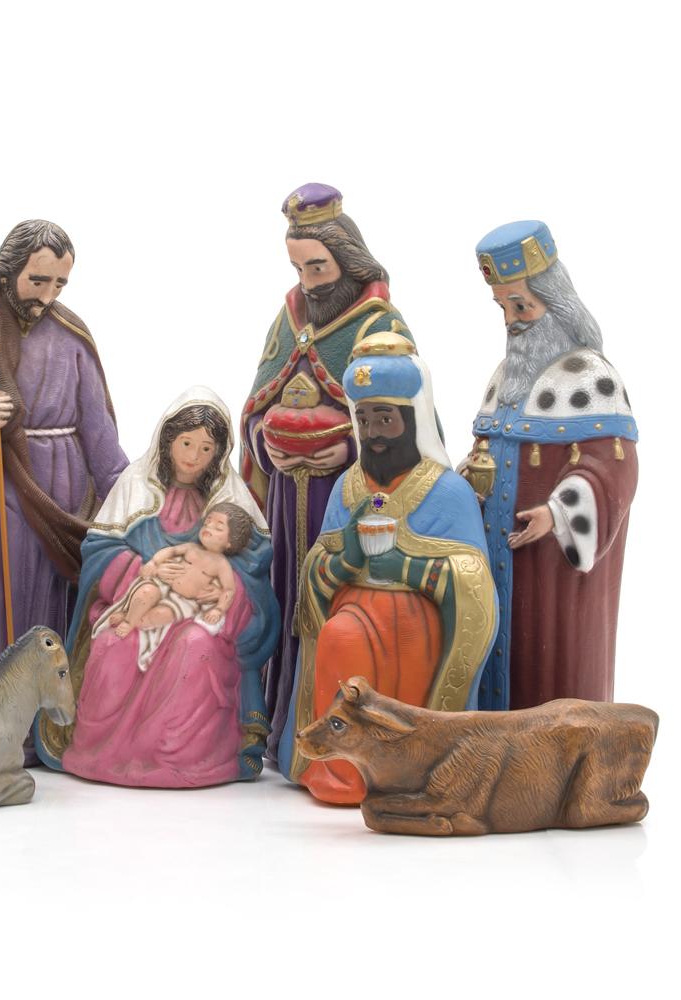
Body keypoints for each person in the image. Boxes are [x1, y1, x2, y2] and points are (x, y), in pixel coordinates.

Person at [240, 182, 420, 760]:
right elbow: (258, 400)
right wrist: (266, 444)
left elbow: (406, 418)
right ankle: (282, 725)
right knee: (286, 595)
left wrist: (349, 449)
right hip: (287, 492)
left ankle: (339, 730)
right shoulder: (289, 315)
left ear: (347, 258)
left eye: (317, 267)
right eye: (298, 268)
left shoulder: (379, 323)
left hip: (346, 496)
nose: (309, 282)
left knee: (335, 602)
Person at [279, 334, 497, 804]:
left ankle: (402, 771)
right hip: (352, 608)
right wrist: (346, 559)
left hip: (417, 620)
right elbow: (317, 570)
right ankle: (341, 772)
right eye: (363, 419)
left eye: (385, 418)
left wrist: (406, 566)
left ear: (412, 420)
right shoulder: (346, 487)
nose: (373, 431)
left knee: (383, 644)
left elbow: (472, 578)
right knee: (338, 636)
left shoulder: (448, 491)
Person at [35, 387, 279, 787]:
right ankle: (102, 750)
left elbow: (252, 568)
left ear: (218, 454)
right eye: (186, 443)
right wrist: (140, 573)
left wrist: (216, 594)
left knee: (196, 646)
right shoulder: (135, 483)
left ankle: (177, 754)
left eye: (206, 448)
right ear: (168, 440)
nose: (193, 456)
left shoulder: (229, 499)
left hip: (194, 614)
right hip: (136, 597)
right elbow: (99, 552)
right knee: (113, 645)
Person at [466, 221, 638, 710]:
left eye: (521, 306)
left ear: (556, 302)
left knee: (552, 673)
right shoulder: (507, 376)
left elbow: (615, 470)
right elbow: (486, 449)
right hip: (496, 555)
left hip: (554, 569)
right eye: (503, 308)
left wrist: (558, 513)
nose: (512, 321)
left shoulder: (592, 378)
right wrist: (466, 476)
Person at [0, 220, 128, 698]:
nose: (47, 296)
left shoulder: (71, 333)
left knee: (55, 605)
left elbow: (98, 430)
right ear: (7, 271)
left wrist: (130, 498)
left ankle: (50, 725)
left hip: (66, 493)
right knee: (0, 601)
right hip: (3, 485)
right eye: (38, 280)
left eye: (59, 284)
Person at [105, 502, 251, 639]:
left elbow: (229, 590)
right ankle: (129, 619)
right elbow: (171, 551)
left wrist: (218, 609)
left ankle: (133, 620)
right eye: (207, 523)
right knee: (146, 592)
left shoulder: (222, 565)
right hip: (165, 587)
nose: (208, 528)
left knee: (161, 615)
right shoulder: (191, 548)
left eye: (218, 528)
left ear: (230, 542)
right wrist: (154, 562)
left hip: (184, 602)